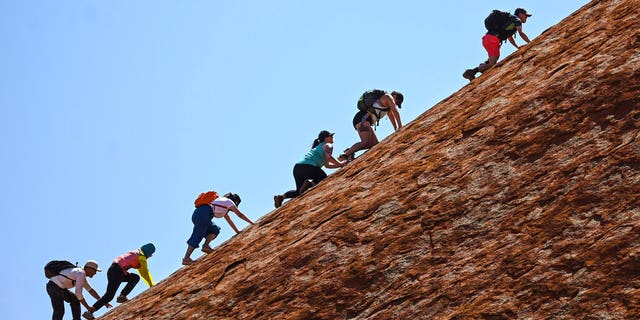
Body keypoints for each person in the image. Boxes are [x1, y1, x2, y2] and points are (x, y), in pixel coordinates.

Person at [274, 130, 347, 208]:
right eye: (331, 136)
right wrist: (340, 164)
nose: (332, 137)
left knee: (299, 192)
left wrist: (340, 165)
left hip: (298, 168)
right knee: (323, 178)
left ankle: (281, 197)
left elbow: (327, 166)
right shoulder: (328, 145)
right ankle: (309, 183)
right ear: (326, 138)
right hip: (309, 168)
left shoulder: (318, 147)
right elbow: (329, 158)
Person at [83, 243, 155, 320]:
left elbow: (126, 262)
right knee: (109, 295)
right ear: (148, 253)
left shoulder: (136, 252)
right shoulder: (141, 257)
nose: (149, 257)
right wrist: (151, 285)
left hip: (114, 269)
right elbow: (145, 272)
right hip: (117, 271)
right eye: (150, 255)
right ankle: (89, 312)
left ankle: (122, 296)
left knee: (134, 278)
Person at [182, 193, 254, 265]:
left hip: (202, 214)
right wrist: (252, 223)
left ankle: (206, 246)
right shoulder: (228, 202)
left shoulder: (222, 203)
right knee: (199, 234)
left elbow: (229, 220)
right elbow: (240, 215)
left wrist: (237, 232)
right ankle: (186, 258)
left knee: (215, 229)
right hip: (203, 213)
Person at [463, 8, 532, 81]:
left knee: (492, 61)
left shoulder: (510, 20)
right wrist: (530, 43)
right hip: (493, 40)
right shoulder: (517, 20)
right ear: (520, 14)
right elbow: (521, 33)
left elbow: (509, 37)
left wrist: (517, 47)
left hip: (488, 38)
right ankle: (472, 72)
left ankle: (475, 71)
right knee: (493, 65)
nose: (526, 18)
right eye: (526, 15)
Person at [339, 91, 403, 161]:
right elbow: (395, 111)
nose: (395, 104)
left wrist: (396, 128)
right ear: (395, 96)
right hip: (362, 119)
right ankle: (345, 155)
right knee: (365, 141)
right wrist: (401, 127)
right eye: (397, 102)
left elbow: (391, 115)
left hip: (365, 121)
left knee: (375, 145)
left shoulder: (387, 107)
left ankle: (351, 150)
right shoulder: (387, 97)